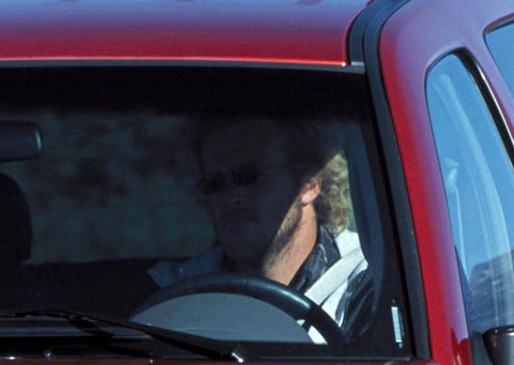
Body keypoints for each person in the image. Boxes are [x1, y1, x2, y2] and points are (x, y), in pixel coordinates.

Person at [148, 116, 367, 337]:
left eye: (248, 175)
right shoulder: (176, 296)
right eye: (214, 184)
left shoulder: (364, 286)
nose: (231, 197)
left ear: (308, 183)